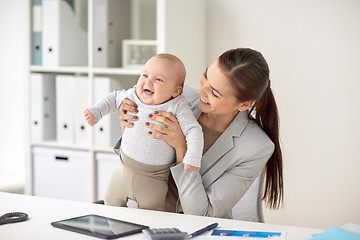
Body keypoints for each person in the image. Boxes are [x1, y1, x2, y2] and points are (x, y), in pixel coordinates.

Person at [118, 48, 284, 218]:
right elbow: (134, 159)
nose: (200, 91)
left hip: (194, 230)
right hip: (139, 214)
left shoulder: (256, 147)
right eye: (205, 77)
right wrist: (129, 118)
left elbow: (202, 214)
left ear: (244, 105)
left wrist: (183, 148)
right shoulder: (175, 97)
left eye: (214, 92)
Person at [84, 53, 203, 211]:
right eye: (145, 75)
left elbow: (194, 130)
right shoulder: (133, 94)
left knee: (151, 214)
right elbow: (112, 98)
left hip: (153, 178)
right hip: (123, 168)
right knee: (110, 204)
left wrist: (192, 157)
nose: (148, 81)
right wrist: (96, 112)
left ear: (176, 91)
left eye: (158, 79)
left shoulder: (177, 106)